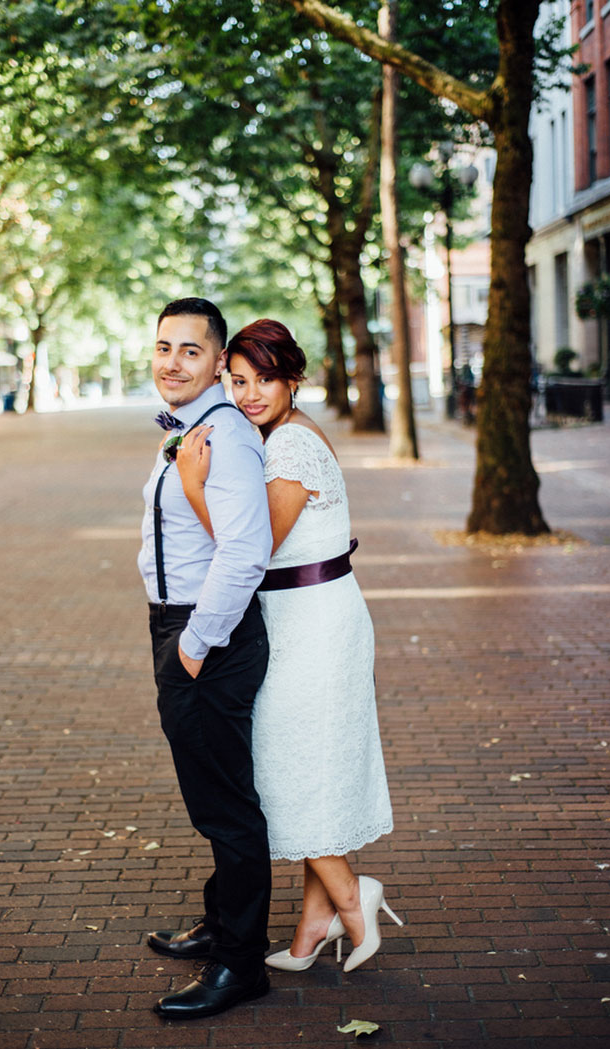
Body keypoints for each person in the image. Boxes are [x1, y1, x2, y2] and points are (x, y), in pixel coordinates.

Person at [176, 318, 402, 976]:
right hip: (301, 615)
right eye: (238, 381)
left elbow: (251, 548)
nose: (249, 394)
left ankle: (355, 895)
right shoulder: (280, 434)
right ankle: (313, 924)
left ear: (292, 379)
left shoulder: (290, 447)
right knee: (313, 768)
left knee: (286, 774)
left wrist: (193, 486)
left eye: (264, 380)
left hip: (316, 624)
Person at [138, 298, 273, 1019]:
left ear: (220, 361)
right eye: (164, 347)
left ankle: (241, 965)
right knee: (211, 796)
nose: (172, 362)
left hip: (207, 636)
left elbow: (245, 551)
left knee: (228, 809)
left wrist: (193, 645)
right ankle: (222, 925)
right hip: (180, 627)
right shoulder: (190, 429)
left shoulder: (228, 436)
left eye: (191, 350)